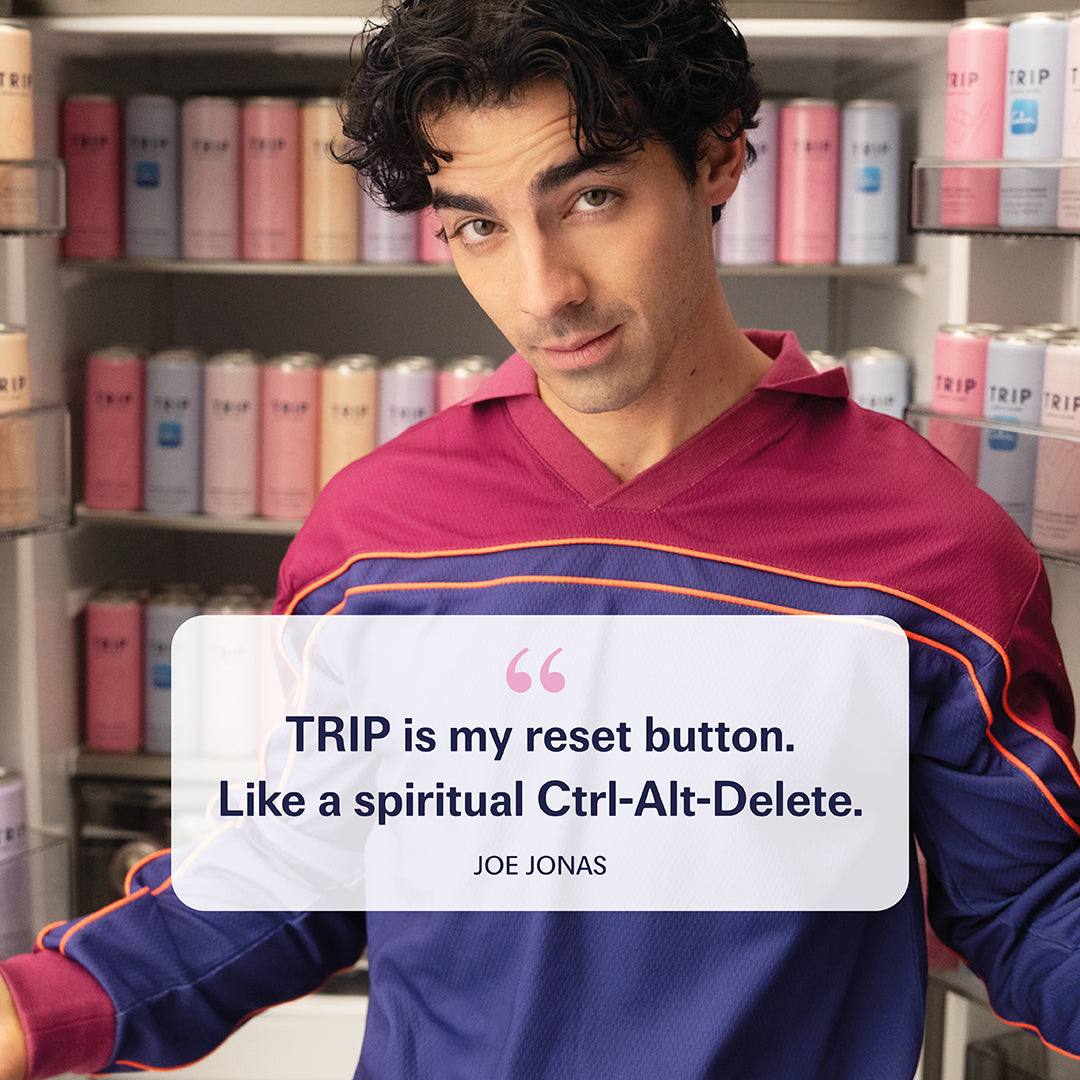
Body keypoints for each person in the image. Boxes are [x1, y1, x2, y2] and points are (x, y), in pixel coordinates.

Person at [4, 0, 1080, 1076]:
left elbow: (1031, 905)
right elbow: (298, 874)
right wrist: (32, 1011)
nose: (543, 293)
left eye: (593, 198)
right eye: (478, 224)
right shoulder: (374, 536)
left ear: (718, 160)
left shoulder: (934, 547)